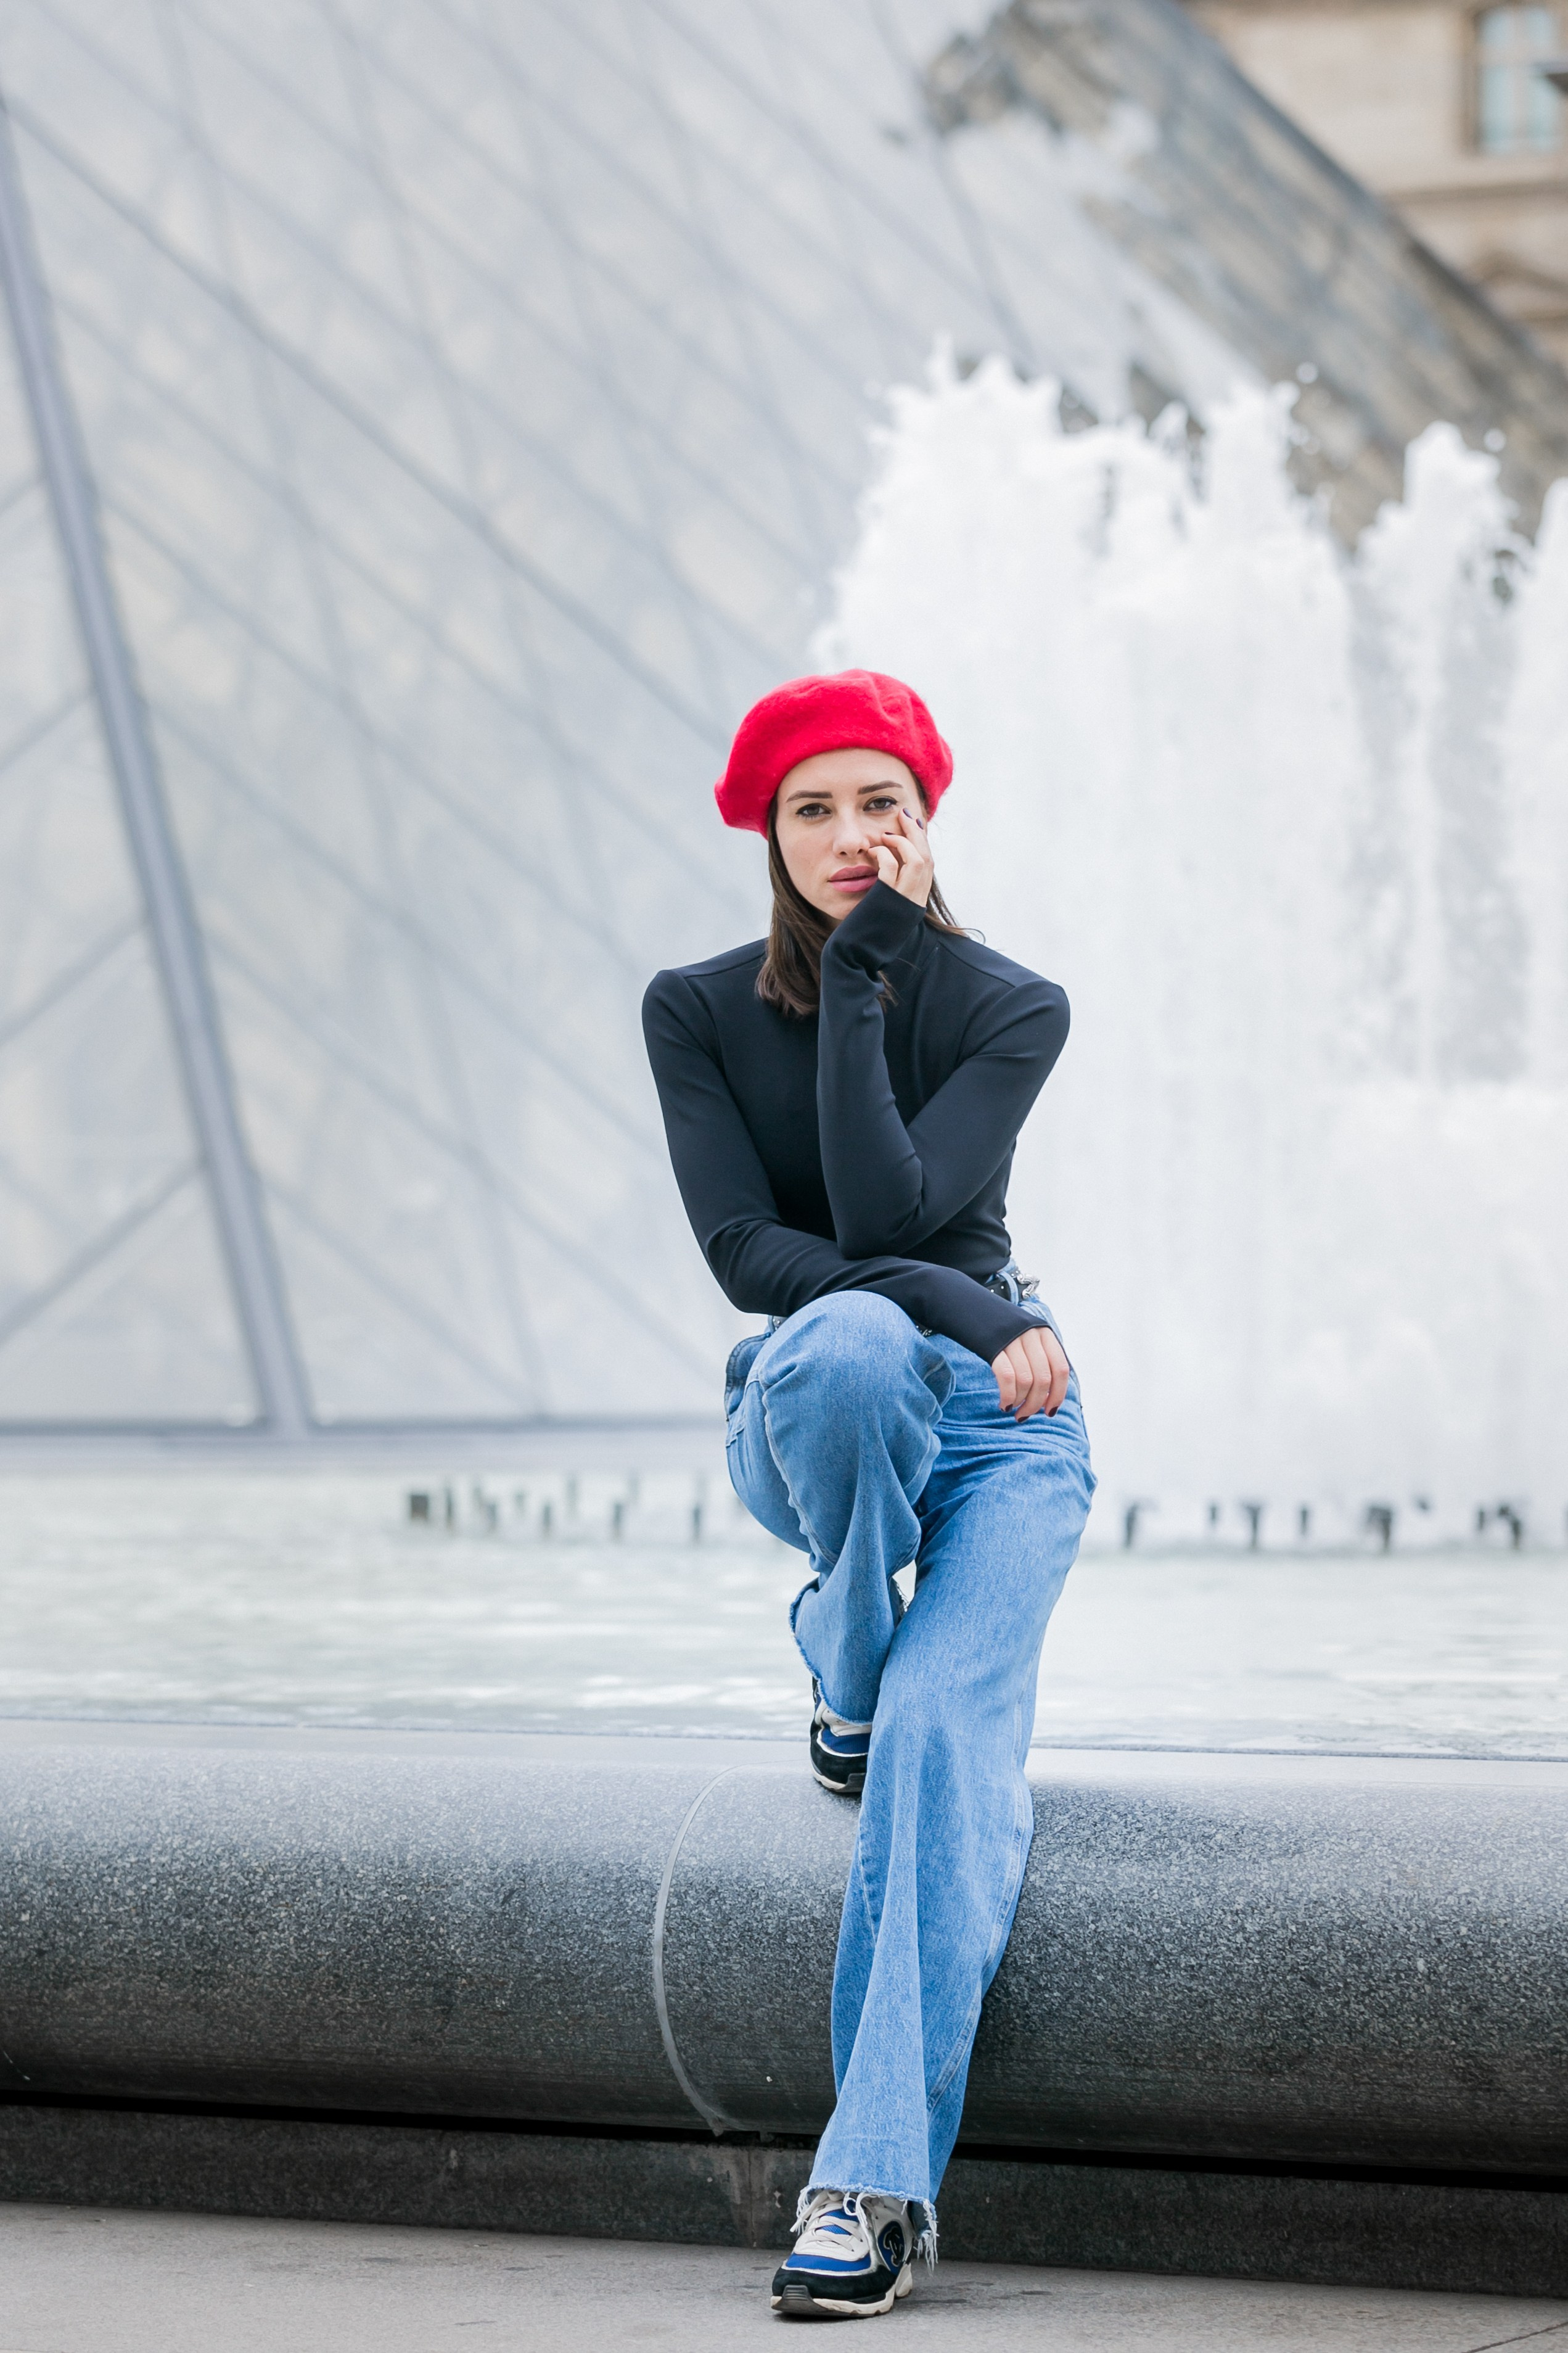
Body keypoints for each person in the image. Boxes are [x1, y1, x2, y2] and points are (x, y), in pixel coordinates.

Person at [642, 669, 1095, 2321]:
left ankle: (871, 2181)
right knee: (838, 1343)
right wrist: (1001, 1312)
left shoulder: (1006, 1004)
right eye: (813, 808)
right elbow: (753, 1257)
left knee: (936, 1752)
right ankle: (845, 1660)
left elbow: (898, 1197)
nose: (850, 836)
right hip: (832, 1403)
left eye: (879, 803)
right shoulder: (691, 1010)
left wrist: (868, 986)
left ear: (926, 817)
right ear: (766, 827)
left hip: (1005, 1443)